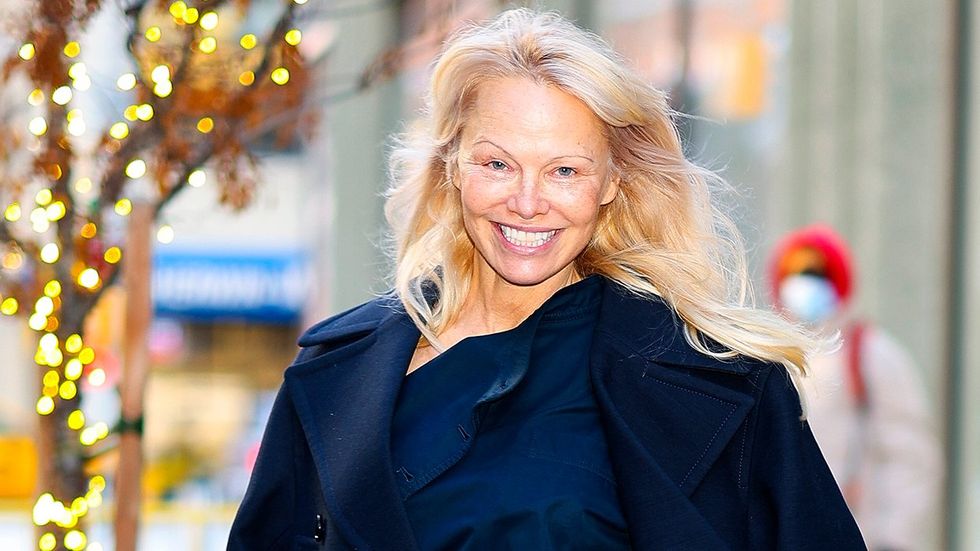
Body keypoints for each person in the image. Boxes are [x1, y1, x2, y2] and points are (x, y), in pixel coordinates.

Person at [228, 9, 864, 550]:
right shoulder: (339, 370)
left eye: (564, 170)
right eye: (497, 164)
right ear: (452, 165)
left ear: (612, 182)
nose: (528, 202)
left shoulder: (724, 381)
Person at [769, 224, 943, 551]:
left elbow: (911, 458)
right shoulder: (774, 359)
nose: (804, 285)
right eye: (794, 275)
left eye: (816, 275)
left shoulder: (873, 355)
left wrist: (893, 539)